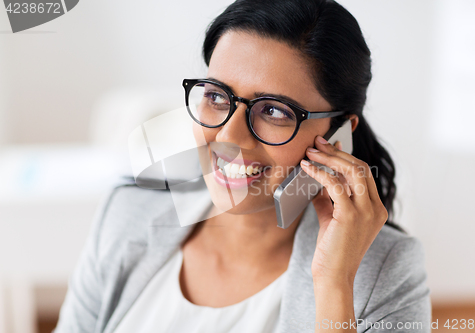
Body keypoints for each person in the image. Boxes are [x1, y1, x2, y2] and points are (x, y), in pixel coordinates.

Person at [54, 0, 431, 332]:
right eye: (217, 96)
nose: (229, 136)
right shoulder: (128, 211)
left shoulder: (385, 269)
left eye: (274, 110)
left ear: (338, 136)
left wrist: (335, 281)